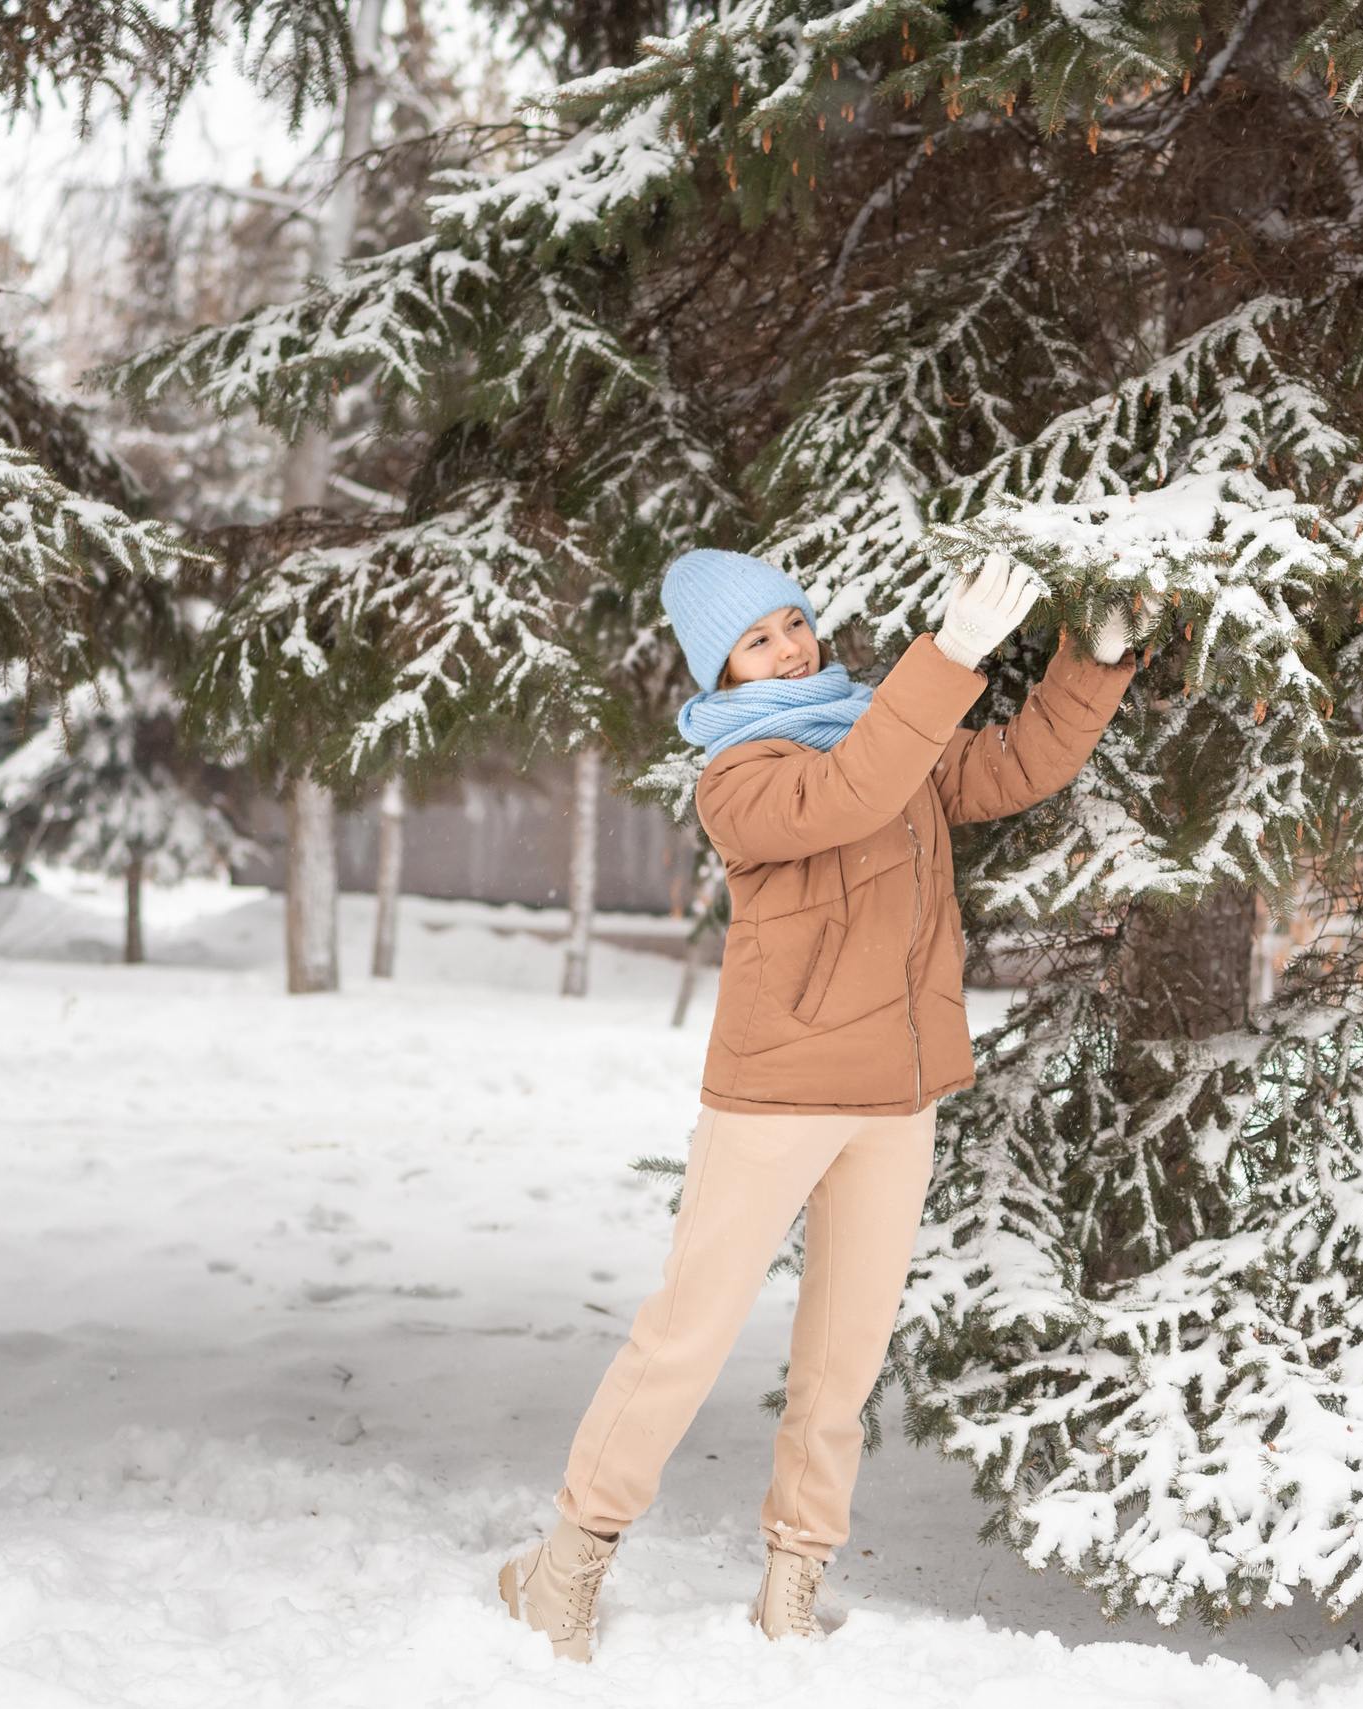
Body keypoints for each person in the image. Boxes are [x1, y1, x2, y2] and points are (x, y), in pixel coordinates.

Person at [498, 547, 1137, 1660]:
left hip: (895, 1094)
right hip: (777, 1094)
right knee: (683, 1337)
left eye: (792, 621)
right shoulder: (738, 775)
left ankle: (792, 1582)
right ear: (724, 673)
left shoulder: (881, 725)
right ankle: (566, 1567)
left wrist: (1096, 659)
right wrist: (944, 659)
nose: (790, 645)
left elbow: (1013, 765)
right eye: (758, 640)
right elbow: (851, 795)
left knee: (842, 1357)